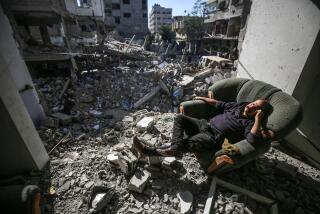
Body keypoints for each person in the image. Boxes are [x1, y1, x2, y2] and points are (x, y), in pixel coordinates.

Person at [133, 97, 274, 159]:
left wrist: (257, 120)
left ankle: (147, 151)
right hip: (203, 124)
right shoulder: (237, 106)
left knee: (187, 144)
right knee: (180, 118)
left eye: (256, 107)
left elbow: (252, 140)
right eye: (253, 103)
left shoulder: (250, 123)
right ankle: (176, 149)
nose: (252, 106)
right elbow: (218, 103)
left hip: (213, 138)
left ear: (258, 112)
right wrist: (201, 97)